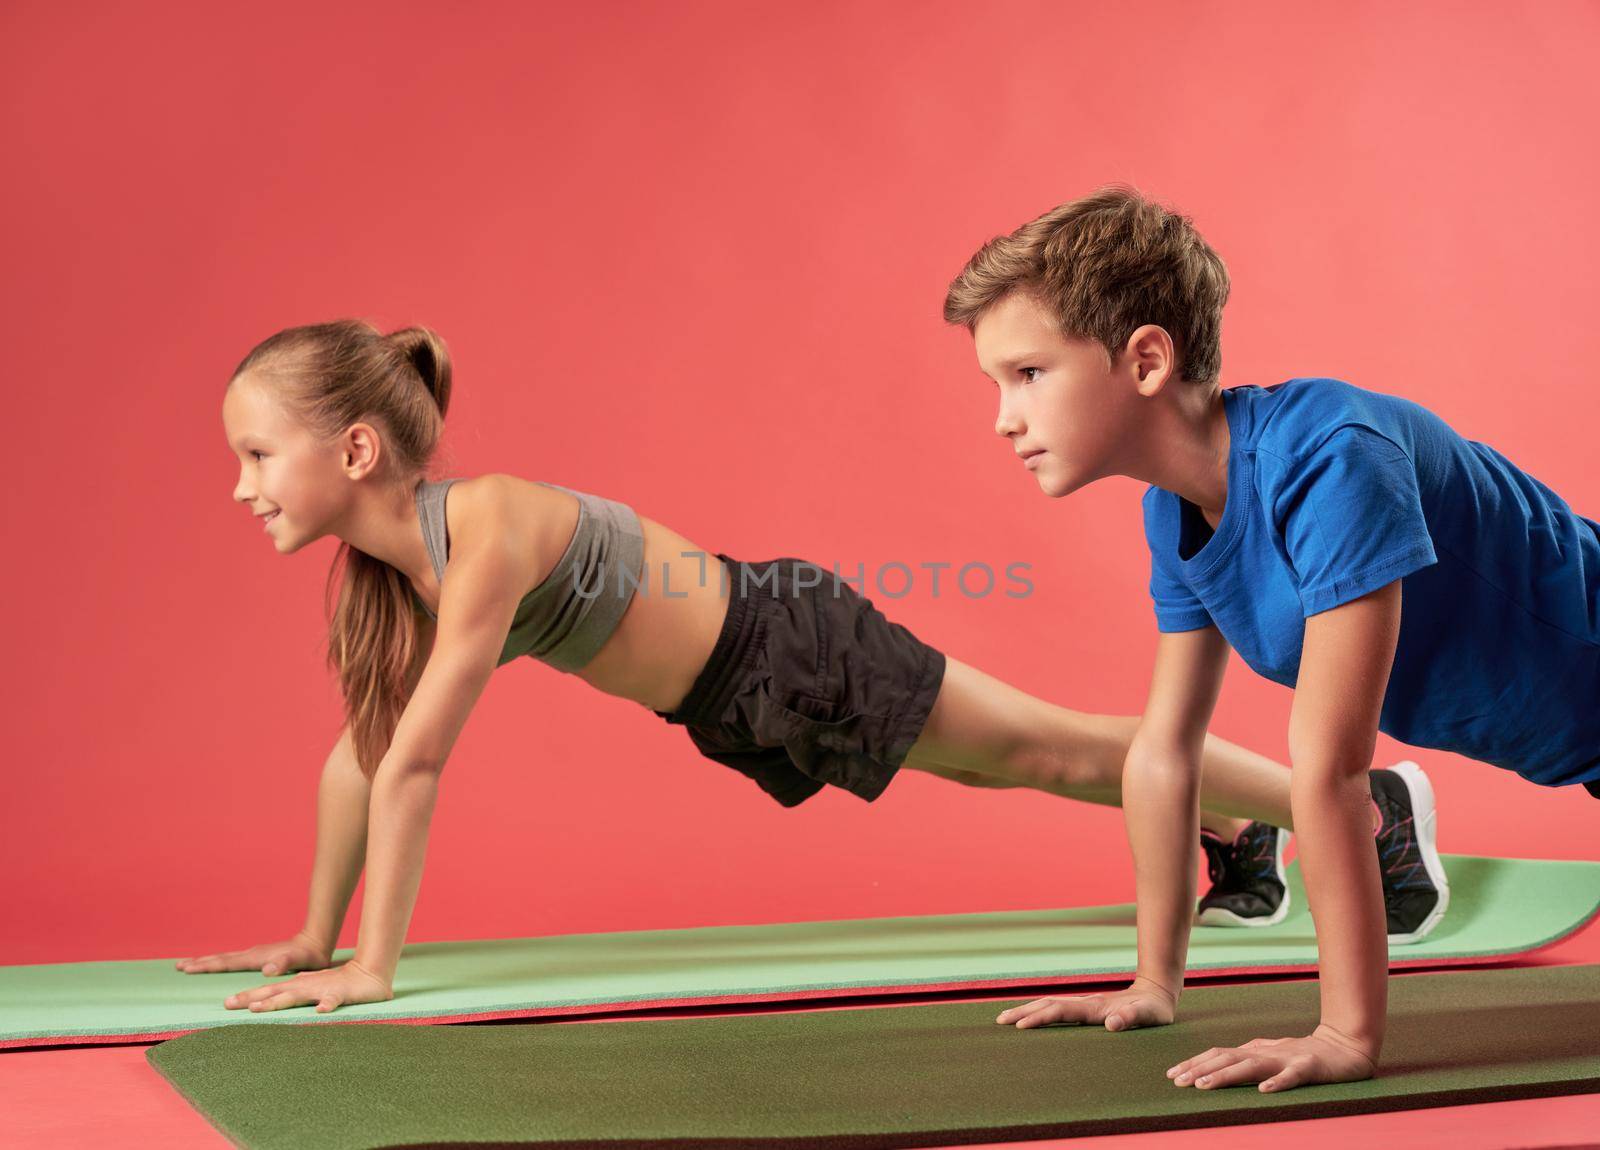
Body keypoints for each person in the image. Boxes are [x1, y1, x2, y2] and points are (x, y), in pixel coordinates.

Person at [183, 319, 1416, 1013]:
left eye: (256, 453)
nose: (240, 486)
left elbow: (418, 761)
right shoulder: (401, 578)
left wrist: (373, 964)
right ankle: (1244, 833)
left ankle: (1364, 807)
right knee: (1026, 760)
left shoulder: (489, 522)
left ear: (353, 447)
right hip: (737, 696)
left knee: (1044, 749)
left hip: (785, 643)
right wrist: (308, 934)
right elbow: (360, 761)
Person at [942, 183, 1596, 1093]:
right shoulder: (1175, 516)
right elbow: (1166, 751)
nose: (1004, 417)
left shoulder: (1333, 455)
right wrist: (1153, 982)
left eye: (1029, 374)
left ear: (1145, 360)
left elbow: (1330, 770)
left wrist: (1344, 1036)